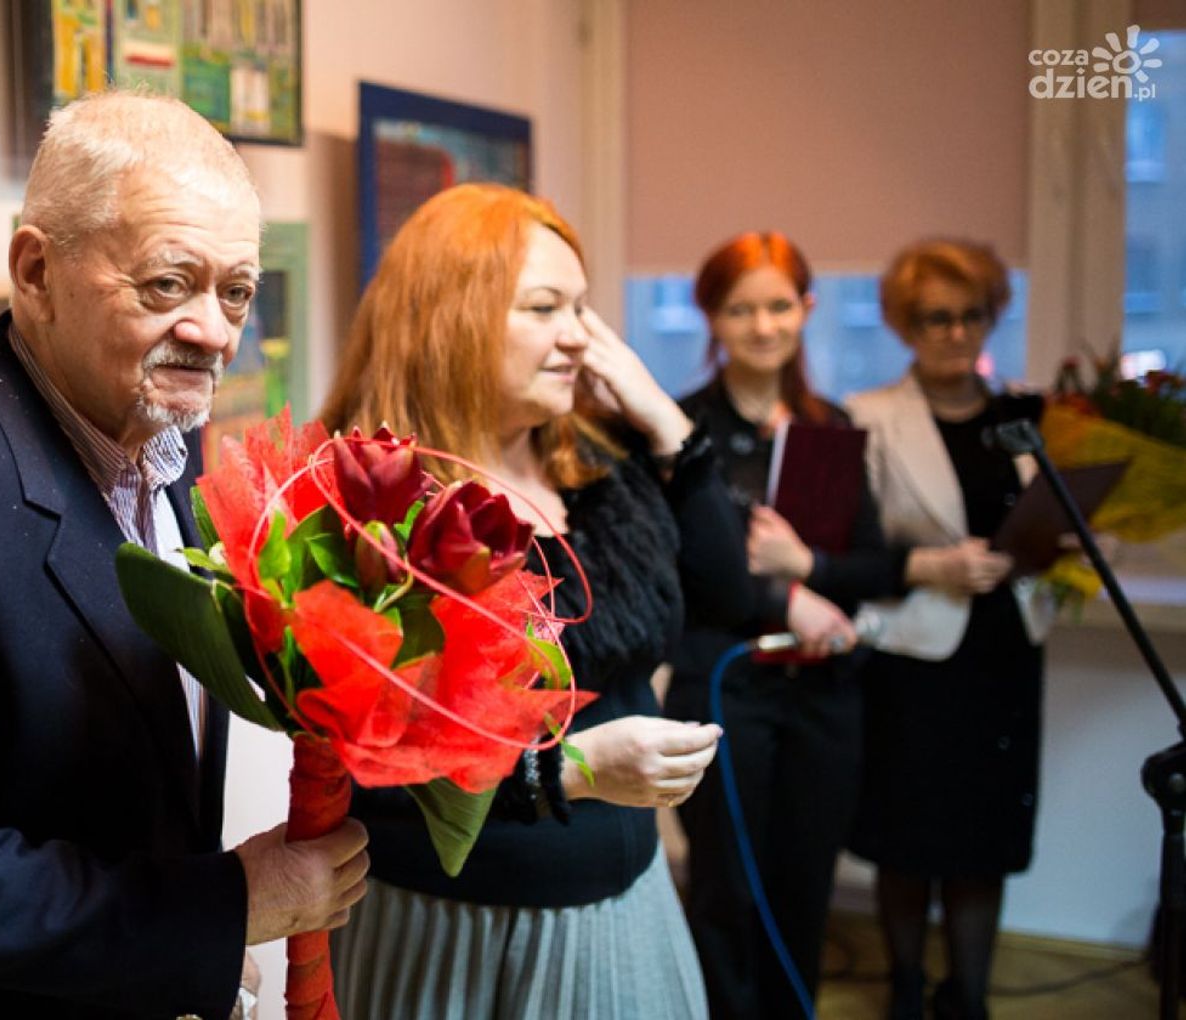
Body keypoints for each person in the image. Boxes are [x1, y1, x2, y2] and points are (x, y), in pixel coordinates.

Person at [0, 91, 369, 1020]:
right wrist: (216, 912)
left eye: (236, 291)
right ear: (36, 271)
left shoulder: (160, 442)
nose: (215, 331)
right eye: (168, 283)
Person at [319, 182, 752, 1019]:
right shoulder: (371, 501)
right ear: (451, 319)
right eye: (546, 308)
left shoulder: (598, 464)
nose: (579, 336)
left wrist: (663, 418)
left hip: (629, 906)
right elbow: (373, 769)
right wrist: (573, 772)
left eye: (582, 309)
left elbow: (727, 595)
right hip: (454, 930)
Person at [662, 231, 902, 1020]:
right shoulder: (680, 430)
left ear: (807, 308)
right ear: (711, 317)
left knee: (804, 890)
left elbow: (873, 567)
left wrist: (807, 565)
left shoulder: (830, 427)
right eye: (741, 310)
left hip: (822, 694)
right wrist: (782, 594)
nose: (763, 326)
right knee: (727, 891)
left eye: (778, 306)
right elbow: (680, 578)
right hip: (724, 688)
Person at [845, 239, 1053, 1020]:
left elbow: (1052, 522)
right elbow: (850, 552)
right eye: (937, 318)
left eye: (973, 316)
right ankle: (904, 989)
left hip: (1006, 651)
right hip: (914, 657)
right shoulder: (869, 418)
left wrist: (1053, 547)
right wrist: (934, 564)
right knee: (908, 837)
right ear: (905, 324)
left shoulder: (1023, 416)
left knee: (984, 840)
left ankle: (970, 997)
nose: (957, 334)